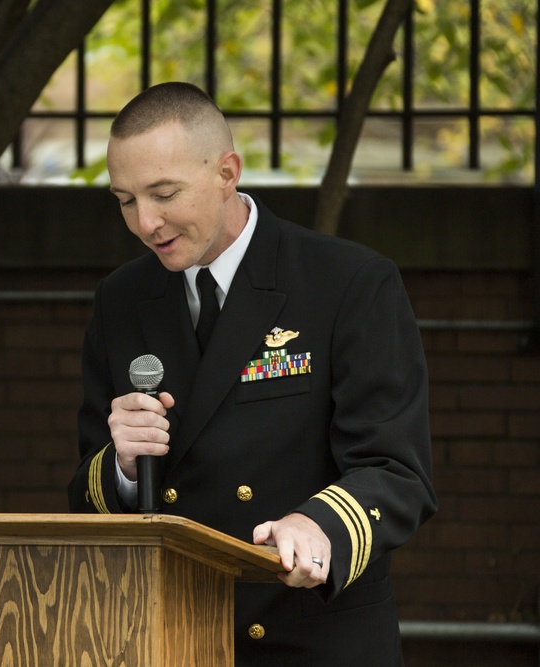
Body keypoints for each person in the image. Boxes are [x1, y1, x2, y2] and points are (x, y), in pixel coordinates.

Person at [67, 82, 436, 665]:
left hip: (312, 638)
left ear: (227, 172)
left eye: (164, 193)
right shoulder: (121, 299)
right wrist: (124, 467)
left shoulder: (348, 283)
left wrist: (318, 528)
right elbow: (86, 494)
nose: (145, 222)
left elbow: (396, 468)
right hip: (175, 637)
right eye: (125, 199)